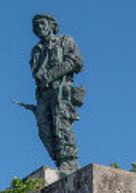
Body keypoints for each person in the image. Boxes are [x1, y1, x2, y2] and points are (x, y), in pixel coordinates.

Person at [27, 13, 85, 174]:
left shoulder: (65, 41)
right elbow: (35, 72)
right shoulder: (36, 50)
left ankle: (69, 161)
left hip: (61, 89)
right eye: (36, 26)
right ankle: (59, 159)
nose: (40, 28)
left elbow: (76, 61)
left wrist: (51, 75)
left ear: (52, 25)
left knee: (61, 124)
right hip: (44, 93)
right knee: (44, 129)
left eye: (42, 24)